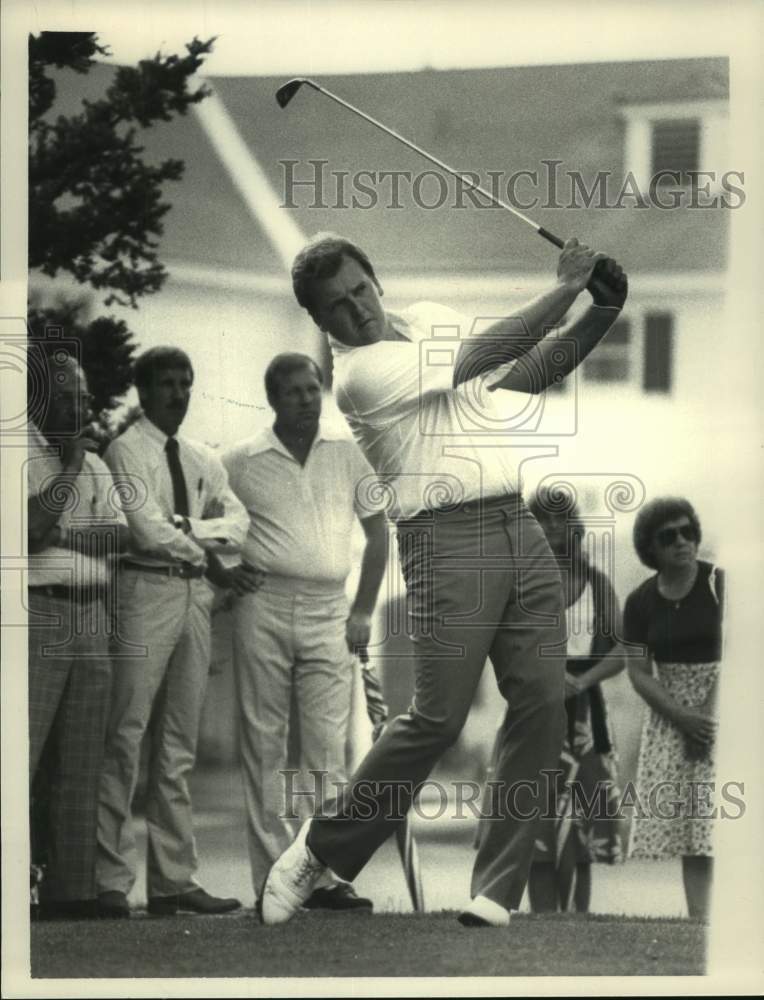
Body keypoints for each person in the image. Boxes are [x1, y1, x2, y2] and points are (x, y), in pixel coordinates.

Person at [260, 231, 628, 928]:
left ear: (377, 279)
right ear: (320, 322)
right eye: (337, 306)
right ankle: (318, 851)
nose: (357, 310)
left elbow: (517, 373)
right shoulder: (360, 375)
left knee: (543, 700)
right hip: (443, 538)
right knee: (437, 718)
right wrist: (567, 285)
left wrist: (599, 313)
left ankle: (495, 891)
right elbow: (481, 355)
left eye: (361, 290)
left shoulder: (427, 316)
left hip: (517, 529)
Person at [222, 352, 389, 912]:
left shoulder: (347, 451)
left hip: (329, 608)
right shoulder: (241, 460)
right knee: (264, 744)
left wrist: (364, 609)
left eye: (312, 388)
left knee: (326, 749)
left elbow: (378, 532)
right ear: (273, 398)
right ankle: (273, 875)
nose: (305, 399)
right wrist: (221, 570)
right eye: (293, 391)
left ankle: (322, 877)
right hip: (262, 603)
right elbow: (211, 520)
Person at [96, 346, 251, 918]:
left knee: (179, 744)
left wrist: (191, 530)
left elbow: (238, 524)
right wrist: (204, 547)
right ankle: (109, 879)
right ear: (143, 389)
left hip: (193, 598)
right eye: (167, 383)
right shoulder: (125, 451)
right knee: (125, 734)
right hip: (145, 591)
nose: (178, 394)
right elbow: (144, 532)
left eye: (186, 383)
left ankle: (173, 880)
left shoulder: (202, 457)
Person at [27, 352, 128, 919]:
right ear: (37, 399)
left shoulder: (99, 466)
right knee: (23, 755)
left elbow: (119, 540)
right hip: (38, 613)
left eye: (85, 397)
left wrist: (63, 531)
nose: (80, 407)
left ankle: (72, 892)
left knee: (82, 760)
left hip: (91, 616)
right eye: (68, 396)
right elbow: (31, 533)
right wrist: (67, 471)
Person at [524, 487, 625, 912]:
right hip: (532, 705)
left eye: (559, 520)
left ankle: (576, 923)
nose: (551, 528)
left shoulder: (596, 582)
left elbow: (621, 651)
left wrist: (580, 684)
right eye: (542, 521)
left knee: (582, 827)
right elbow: (504, 644)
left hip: (584, 710)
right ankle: (543, 921)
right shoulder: (520, 582)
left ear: (574, 527)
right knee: (535, 820)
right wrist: (547, 677)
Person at [624, 497, 723, 922]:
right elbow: (638, 671)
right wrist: (682, 718)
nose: (683, 542)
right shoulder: (639, 602)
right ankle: (700, 920)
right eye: (669, 537)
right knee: (693, 827)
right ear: (651, 549)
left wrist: (708, 717)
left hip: (726, 701)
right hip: (671, 714)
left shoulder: (723, 583)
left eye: (688, 531)